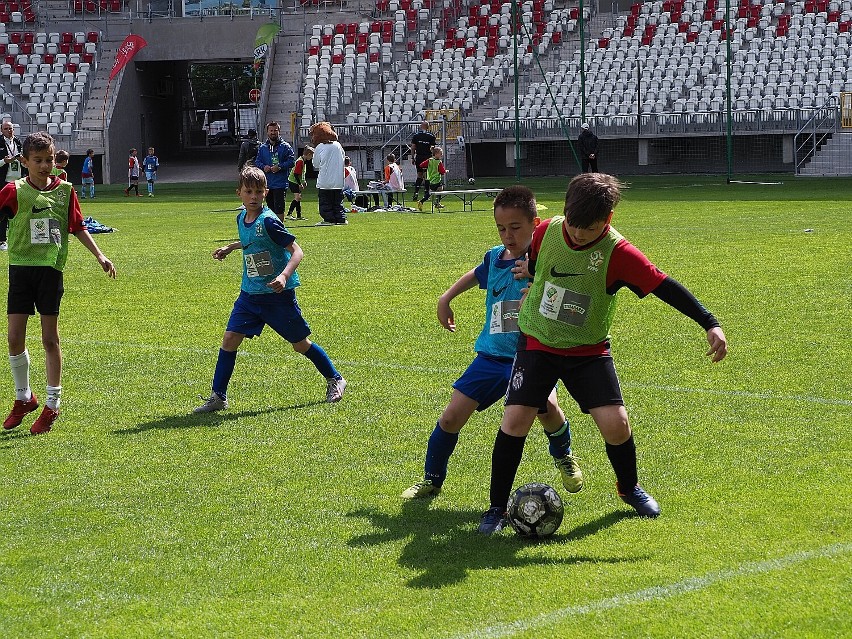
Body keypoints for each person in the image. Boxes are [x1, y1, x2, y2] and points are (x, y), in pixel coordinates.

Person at [476, 173, 728, 534]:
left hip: (588, 351)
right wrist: (532, 272)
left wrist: (709, 322)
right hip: (537, 343)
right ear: (564, 210)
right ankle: (497, 509)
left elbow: (664, 286)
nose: (578, 235)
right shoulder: (547, 231)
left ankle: (630, 489)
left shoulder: (620, 253)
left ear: (607, 220)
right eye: (574, 225)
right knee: (515, 420)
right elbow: (535, 260)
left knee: (616, 425)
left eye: (589, 229)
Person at [402, 185, 582, 500]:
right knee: (450, 417)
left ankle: (564, 455)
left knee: (548, 408)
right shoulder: (495, 258)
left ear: (535, 224)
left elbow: (568, 300)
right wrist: (446, 297)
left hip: (533, 357)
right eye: (501, 228)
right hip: (491, 356)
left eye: (515, 227)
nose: (507, 235)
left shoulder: (544, 261)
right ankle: (431, 479)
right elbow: (476, 273)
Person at [193, 166, 346, 413]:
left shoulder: (270, 222)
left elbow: (297, 251)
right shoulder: (241, 218)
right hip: (250, 295)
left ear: (266, 193)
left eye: (259, 191)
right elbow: (250, 240)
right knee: (230, 339)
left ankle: (335, 378)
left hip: (277, 297)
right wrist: (230, 248)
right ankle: (218, 396)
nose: (253, 196)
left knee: (300, 344)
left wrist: (284, 276)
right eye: (248, 191)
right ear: (239, 194)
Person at [0, 131, 116, 435]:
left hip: (50, 270)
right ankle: (24, 398)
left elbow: (77, 226)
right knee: (14, 338)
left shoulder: (65, 191)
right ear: (24, 161)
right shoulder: (14, 191)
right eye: (37, 160)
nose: (44, 165)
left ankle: (52, 404)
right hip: (21, 269)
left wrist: (100, 255)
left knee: (50, 339)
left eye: (49, 159)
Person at [254, 121, 295, 220]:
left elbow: (291, 161)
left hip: (280, 184)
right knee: (270, 208)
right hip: (267, 184)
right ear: (267, 132)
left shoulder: (285, 146)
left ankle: (280, 229)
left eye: (275, 130)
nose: (273, 132)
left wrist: (280, 166)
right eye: (271, 130)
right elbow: (257, 162)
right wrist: (264, 167)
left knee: (279, 208)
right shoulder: (263, 147)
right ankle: (272, 228)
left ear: (279, 131)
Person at [310, 121, 347, 225]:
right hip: (338, 180)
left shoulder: (320, 147)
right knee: (338, 202)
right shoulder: (338, 145)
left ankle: (329, 219)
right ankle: (340, 218)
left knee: (325, 202)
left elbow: (316, 164)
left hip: (325, 181)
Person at [0, 120, 24, 251]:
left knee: (18, 211)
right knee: (3, 211)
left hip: (18, 181)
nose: (9, 130)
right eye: (6, 128)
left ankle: (19, 238)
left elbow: (25, 162)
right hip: (4, 182)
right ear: (1, 130)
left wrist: (22, 160)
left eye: (10, 128)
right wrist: (4, 161)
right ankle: (2, 240)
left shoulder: (18, 142)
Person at [286, 145, 314, 221]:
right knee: (297, 197)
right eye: (311, 156)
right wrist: (299, 184)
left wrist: (303, 181)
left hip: (295, 181)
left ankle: (299, 215)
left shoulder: (302, 161)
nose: (311, 158)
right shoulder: (300, 161)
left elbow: (301, 173)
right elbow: (295, 174)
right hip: (293, 181)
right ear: (308, 154)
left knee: (298, 198)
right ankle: (289, 214)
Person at [410, 120, 436, 200]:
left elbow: (413, 147)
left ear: (421, 126)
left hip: (419, 157)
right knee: (427, 176)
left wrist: (412, 157)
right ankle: (426, 193)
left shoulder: (416, 136)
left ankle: (416, 192)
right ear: (428, 127)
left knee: (419, 174)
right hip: (427, 157)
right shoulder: (431, 136)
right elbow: (432, 148)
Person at [416, 145, 445, 211]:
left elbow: (421, 165)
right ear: (436, 154)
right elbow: (442, 171)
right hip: (436, 179)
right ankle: (437, 203)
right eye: (441, 154)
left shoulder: (429, 160)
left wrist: (428, 168)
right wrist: (445, 171)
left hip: (431, 180)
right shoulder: (438, 162)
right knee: (440, 189)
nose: (441, 155)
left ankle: (422, 201)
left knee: (431, 192)